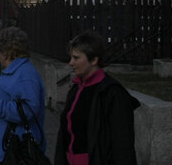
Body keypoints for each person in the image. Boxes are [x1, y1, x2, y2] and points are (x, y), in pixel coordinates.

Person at [54, 31, 140, 165]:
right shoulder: (76, 88)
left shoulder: (112, 93)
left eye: (76, 58)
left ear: (94, 60)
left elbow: (122, 144)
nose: (71, 63)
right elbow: (65, 133)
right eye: (71, 57)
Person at [0, 27, 47, 165]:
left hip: (14, 153)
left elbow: (28, 110)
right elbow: (9, 104)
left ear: (6, 52)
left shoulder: (25, 75)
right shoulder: (14, 72)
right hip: (3, 153)